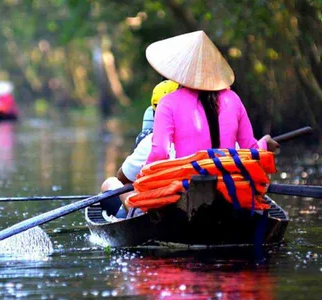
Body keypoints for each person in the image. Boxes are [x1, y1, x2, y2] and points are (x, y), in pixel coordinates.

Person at [144, 30, 279, 164]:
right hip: (229, 182)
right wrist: (264, 143)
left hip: (188, 182)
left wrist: (142, 177)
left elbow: (159, 153)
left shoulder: (168, 103)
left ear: (181, 69)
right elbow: (251, 151)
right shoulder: (232, 99)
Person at [100, 80, 178, 218]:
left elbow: (122, 177)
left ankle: (129, 215)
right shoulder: (200, 135)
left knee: (110, 183)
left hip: (154, 212)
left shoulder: (152, 140)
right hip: (182, 202)